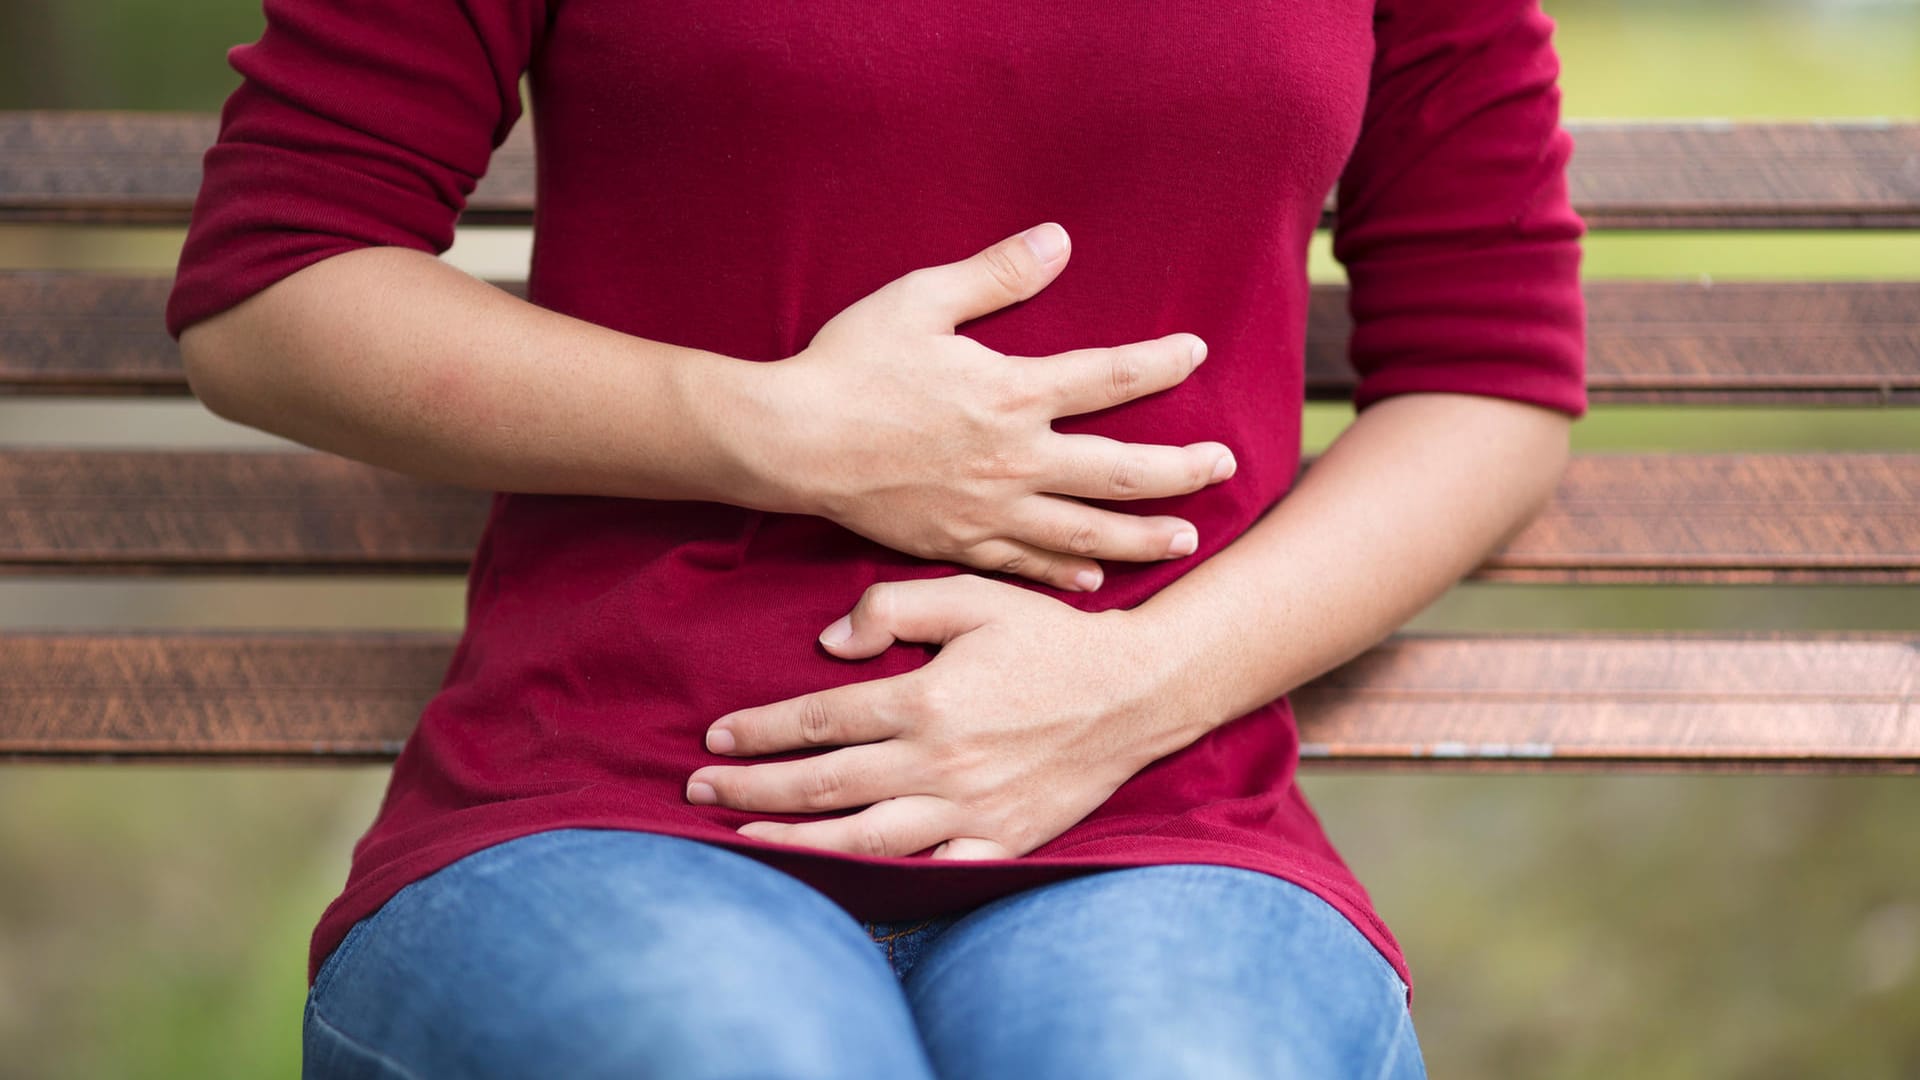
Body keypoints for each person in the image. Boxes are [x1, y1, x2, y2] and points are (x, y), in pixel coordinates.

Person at [167, 0, 1586, 1075]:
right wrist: (774, 428)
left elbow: (1491, 376)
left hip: (1162, 820)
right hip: (606, 799)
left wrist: (1141, 685)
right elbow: (277, 289)